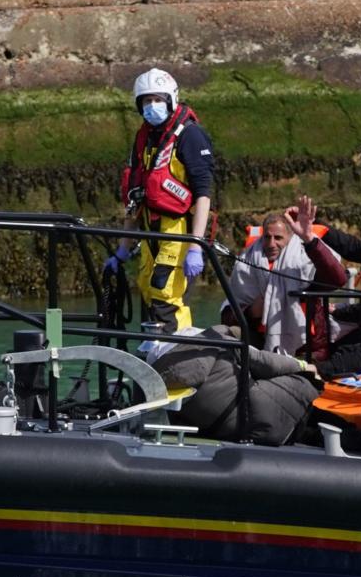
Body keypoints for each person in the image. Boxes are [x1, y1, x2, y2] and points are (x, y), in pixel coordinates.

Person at [108, 68, 215, 332]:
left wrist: (196, 246)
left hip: (178, 232)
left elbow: (203, 194)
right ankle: (153, 355)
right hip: (149, 232)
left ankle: (176, 355)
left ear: (170, 100)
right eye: (146, 101)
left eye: (157, 99)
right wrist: (123, 249)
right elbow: (135, 197)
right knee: (148, 287)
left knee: (166, 293)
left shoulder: (190, 135)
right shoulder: (143, 138)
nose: (152, 105)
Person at [150, 325, 320, 446]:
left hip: (225, 430)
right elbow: (266, 362)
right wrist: (304, 366)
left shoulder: (157, 372)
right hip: (263, 419)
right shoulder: (218, 340)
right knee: (304, 381)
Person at [227, 197, 346, 356]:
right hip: (260, 343)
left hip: (306, 346)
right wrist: (250, 312)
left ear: (290, 239)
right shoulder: (246, 263)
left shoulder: (304, 261)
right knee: (225, 333)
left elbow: (337, 279)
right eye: (267, 237)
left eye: (278, 238)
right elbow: (228, 314)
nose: (271, 244)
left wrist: (309, 240)